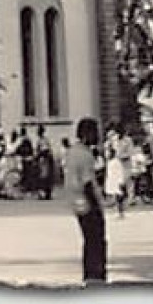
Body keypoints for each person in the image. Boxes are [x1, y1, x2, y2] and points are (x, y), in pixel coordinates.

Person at [64, 118, 107, 282]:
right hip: (87, 200)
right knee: (97, 237)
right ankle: (97, 272)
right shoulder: (85, 155)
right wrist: (99, 202)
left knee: (89, 238)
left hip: (76, 200)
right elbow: (88, 182)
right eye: (95, 132)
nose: (98, 136)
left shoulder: (72, 152)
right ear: (87, 134)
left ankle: (89, 272)